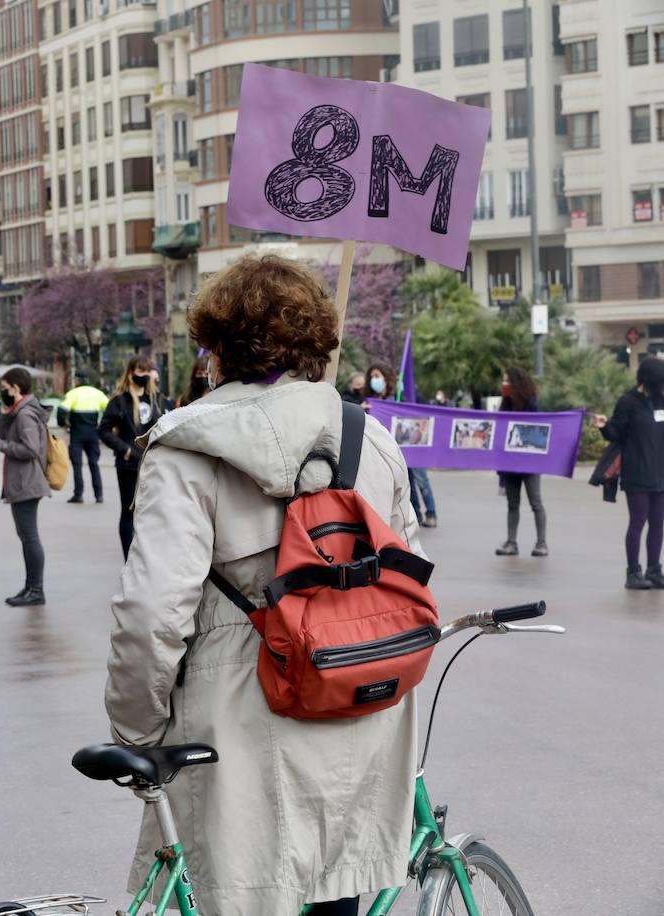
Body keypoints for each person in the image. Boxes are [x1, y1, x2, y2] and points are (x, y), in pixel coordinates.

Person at [105, 253, 421, 916]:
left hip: (238, 725)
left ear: (216, 346)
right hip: (355, 707)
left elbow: (153, 614)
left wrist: (138, 732)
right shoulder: (373, 440)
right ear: (315, 340)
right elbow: (405, 586)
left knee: (243, 888)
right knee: (337, 890)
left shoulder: (185, 450)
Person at [595, 356, 664, 589]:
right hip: (637, 474)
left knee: (658, 522)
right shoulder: (628, 402)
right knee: (638, 521)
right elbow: (615, 431)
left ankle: (654, 570)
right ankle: (633, 573)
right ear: (646, 380)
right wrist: (604, 426)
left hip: (660, 473)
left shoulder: (660, 400)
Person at [98, 356, 170, 559]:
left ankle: (148, 560)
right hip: (129, 465)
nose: (144, 375)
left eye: (148, 371)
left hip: (154, 464)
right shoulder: (119, 401)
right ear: (130, 373)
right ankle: (129, 560)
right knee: (129, 512)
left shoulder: (157, 399)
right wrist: (125, 450)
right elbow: (103, 430)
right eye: (140, 371)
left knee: (154, 513)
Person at [0, 366, 49, 606]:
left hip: (27, 481)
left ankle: (36, 589)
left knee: (30, 537)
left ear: (15, 388)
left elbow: (30, 449)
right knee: (26, 536)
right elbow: (5, 433)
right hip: (23, 481)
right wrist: (6, 412)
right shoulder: (19, 410)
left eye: (4, 389)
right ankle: (30, 587)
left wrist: (0, 446)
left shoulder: (25, 414)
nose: (1, 392)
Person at [368, 364, 437, 529]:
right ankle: (416, 514)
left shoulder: (403, 398)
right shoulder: (373, 400)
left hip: (412, 447)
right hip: (392, 449)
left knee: (421, 480)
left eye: (377, 376)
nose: (374, 380)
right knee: (407, 483)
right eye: (372, 376)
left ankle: (431, 513)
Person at [496, 367, 548, 557]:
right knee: (512, 504)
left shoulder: (531, 403)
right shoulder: (505, 404)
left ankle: (541, 543)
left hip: (530, 463)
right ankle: (511, 543)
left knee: (536, 502)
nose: (504, 385)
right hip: (510, 464)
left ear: (516, 384)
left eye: (507, 381)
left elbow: (537, 431)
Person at [58, 370, 109, 504]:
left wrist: (63, 423)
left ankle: (78, 494)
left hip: (77, 433)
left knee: (77, 465)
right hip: (93, 433)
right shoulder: (98, 394)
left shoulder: (73, 394)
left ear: (77, 380)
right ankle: (99, 495)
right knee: (94, 464)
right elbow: (110, 409)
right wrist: (104, 425)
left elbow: (61, 410)